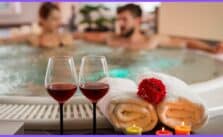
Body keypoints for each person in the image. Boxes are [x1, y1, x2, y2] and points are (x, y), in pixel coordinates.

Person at [74, 4, 223, 53]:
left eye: (124, 19)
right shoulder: (111, 38)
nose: (120, 23)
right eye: (119, 19)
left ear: (138, 21)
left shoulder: (152, 40)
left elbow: (186, 42)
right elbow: (84, 36)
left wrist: (210, 49)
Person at [0, 2, 73, 48]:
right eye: (54, 19)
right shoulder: (33, 38)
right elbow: (5, 41)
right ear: (43, 19)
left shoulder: (65, 37)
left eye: (59, 19)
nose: (59, 22)